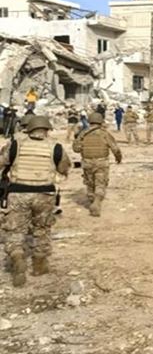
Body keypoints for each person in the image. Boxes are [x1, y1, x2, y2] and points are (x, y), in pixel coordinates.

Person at [0, 115, 71, 287]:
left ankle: (17, 257)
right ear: (47, 130)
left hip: (18, 192)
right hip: (44, 194)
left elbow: (2, 162)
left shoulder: (16, 144)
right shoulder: (56, 146)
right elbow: (64, 168)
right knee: (42, 229)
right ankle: (39, 265)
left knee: (15, 230)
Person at [72, 112, 122, 217]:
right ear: (101, 122)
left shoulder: (83, 133)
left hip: (87, 162)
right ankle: (97, 201)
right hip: (101, 162)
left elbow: (76, 149)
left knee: (90, 183)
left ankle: (92, 199)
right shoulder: (104, 134)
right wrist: (118, 158)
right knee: (100, 183)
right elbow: (115, 149)